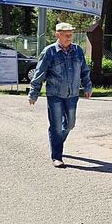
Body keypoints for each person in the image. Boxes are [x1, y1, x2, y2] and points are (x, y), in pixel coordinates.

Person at [28, 22, 93, 168]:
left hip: (72, 94)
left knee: (70, 124)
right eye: (66, 34)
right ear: (57, 35)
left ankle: (57, 142)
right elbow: (39, 74)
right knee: (56, 127)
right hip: (55, 95)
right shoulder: (49, 52)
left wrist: (87, 86)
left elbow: (84, 71)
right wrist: (34, 94)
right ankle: (57, 156)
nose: (69, 37)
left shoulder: (77, 50)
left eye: (71, 34)